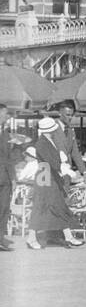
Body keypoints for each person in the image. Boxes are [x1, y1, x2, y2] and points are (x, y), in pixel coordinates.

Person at [25, 116, 84, 249]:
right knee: (42, 208)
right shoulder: (42, 143)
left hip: (47, 177)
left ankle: (68, 237)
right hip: (45, 178)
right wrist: (66, 168)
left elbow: (53, 160)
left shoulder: (48, 141)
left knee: (58, 206)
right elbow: (51, 162)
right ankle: (32, 238)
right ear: (49, 130)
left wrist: (61, 163)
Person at [49, 100, 86, 174]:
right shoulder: (51, 128)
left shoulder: (70, 131)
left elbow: (75, 153)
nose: (70, 117)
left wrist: (84, 171)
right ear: (60, 113)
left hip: (67, 169)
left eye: (72, 115)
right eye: (68, 115)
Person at [0, 103, 16, 251]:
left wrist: (13, 177)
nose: (7, 116)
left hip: (5, 177)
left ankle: (0, 237)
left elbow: (9, 157)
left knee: (4, 208)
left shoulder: (5, 133)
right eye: (5, 113)